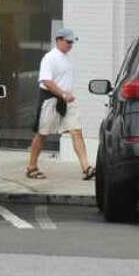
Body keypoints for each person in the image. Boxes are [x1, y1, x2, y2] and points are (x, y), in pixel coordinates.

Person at [25, 28, 95, 180]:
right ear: (59, 40)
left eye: (72, 42)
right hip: (50, 99)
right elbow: (46, 81)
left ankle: (86, 167)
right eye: (68, 42)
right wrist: (62, 93)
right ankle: (31, 167)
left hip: (67, 100)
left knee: (76, 131)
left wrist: (67, 95)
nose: (70, 45)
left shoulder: (67, 57)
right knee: (42, 134)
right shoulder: (49, 58)